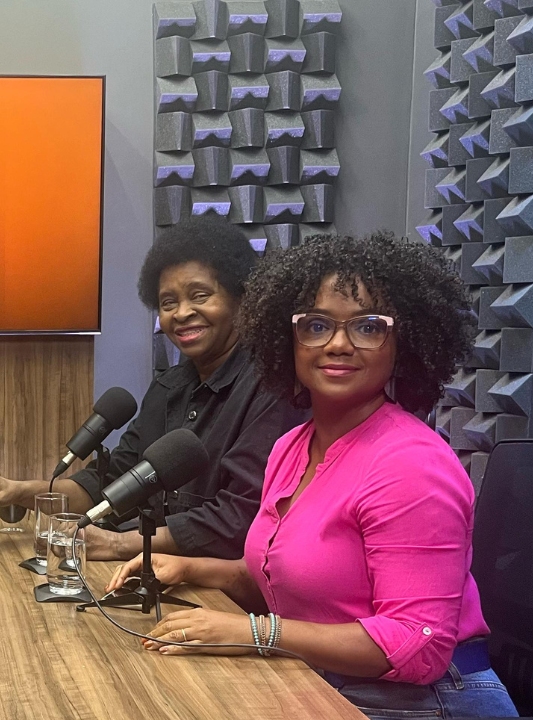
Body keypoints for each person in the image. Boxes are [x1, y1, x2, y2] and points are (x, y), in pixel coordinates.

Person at [105, 231, 517, 719]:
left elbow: (417, 646)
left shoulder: (412, 465)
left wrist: (254, 632)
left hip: (424, 701)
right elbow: (286, 579)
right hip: (326, 681)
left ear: (403, 343)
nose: (338, 344)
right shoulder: (290, 448)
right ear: (288, 339)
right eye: (317, 325)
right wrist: (190, 569)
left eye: (368, 327)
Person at [0, 217, 306, 560]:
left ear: (242, 298)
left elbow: (240, 518)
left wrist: (117, 544)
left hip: (220, 586)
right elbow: (110, 482)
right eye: (168, 303)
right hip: (151, 574)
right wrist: (19, 491)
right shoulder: (167, 388)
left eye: (200, 296)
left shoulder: (271, 387)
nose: (182, 313)